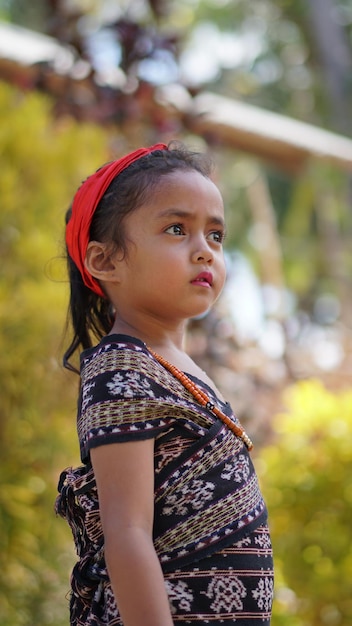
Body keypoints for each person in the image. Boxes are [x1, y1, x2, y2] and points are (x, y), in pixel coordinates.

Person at [56, 141, 274, 626]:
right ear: (105, 261)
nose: (205, 251)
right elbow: (127, 533)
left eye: (215, 235)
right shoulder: (122, 367)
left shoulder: (176, 366)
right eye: (177, 229)